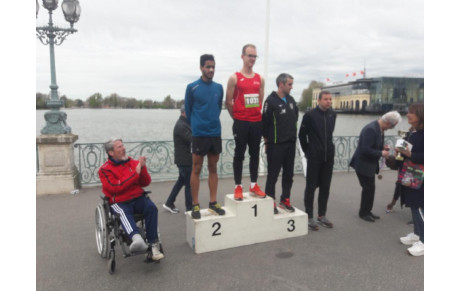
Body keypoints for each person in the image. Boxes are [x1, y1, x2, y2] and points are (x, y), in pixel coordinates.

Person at [98, 138, 164, 260]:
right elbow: (115, 187)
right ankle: (136, 238)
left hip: (137, 197)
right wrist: (135, 174)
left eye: (123, 146)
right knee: (123, 213)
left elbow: (145, 182)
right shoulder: (105, 170)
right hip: (119, 201)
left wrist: (142, 168)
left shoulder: (133, 163)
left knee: (151, 208)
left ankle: (152, 244)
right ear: (111, 152)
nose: (123, 149)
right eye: (119, 147)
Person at [184, 54, 226, 220]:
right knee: (196, 168)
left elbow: (217, 107)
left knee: (213, 168)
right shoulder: (192, 87)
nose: (211, 70)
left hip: (215, 132)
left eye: (213, 67)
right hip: (199, 134)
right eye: (208, 67)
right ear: (201, 67)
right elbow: (188, 111)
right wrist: (198, 125)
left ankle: (213, 202)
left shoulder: (219, 87)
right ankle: (195, 204)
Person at [225, 44, 267, 200]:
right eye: (250, 55)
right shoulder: (234, 78)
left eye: (255, 56)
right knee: (239, 155)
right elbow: (228, 101)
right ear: (242, 56)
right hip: (241, 122)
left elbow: (260, 101)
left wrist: (254, 115)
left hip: (256, 122)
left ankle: (253, 185)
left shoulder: (259, 79)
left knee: (255, 154)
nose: (253, 59)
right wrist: (237, 118)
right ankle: (238, 187)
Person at [350, 111, 401, 222]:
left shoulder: (379, 128)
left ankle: (367, 211)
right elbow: (365, 149)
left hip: (369, 164)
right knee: (368, 189)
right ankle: (363, 213)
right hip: (363, 164)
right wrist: (381, 153)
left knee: (370, 189)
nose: (392, 128)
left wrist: (383, 147)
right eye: (393, 126)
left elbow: (373, 144)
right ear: (387, 122)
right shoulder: (371, 129)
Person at [298, 91, 337, 230]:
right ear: (319, 100)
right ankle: (309, 216)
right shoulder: (310, 115)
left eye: (330, 99)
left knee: (325, 187)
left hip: (328, 157)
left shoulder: (333, 114)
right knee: (311, 186)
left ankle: (322, 215)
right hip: (314, 156)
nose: (328, 101)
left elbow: (330, 135)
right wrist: (308, 151)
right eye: (326, 99)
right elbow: (301, 135)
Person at [262, 73, 299, 214]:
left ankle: (285, 199)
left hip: (290, 144)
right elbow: (265, 123)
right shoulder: (270, 101)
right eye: (289, 84)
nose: (292, 87)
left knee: (289, 175)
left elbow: (295, 118)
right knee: (273, 175)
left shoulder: (291, 100)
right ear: (281, 84)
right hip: (276, 145)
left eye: (292, 84)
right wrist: (266, 142)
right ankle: (270, 201)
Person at [396, 103, 424, 256]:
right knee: (413, 205)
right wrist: (399, 155)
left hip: (422, 178)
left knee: (419, 207)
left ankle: (425, 241)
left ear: (419, 115)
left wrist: (410, 155)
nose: (407, 115)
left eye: (411, 113)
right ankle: (417, 234)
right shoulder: (414, 132)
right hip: (411, 175)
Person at [163, 105, 193, 213]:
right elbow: (191, 139)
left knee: (181, 181)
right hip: (184, 159)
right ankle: (189, 208)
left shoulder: (184, 123)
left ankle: (169, 202)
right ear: (184, 113)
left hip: (184, 158)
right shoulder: (181, 125)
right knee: (189, 184)